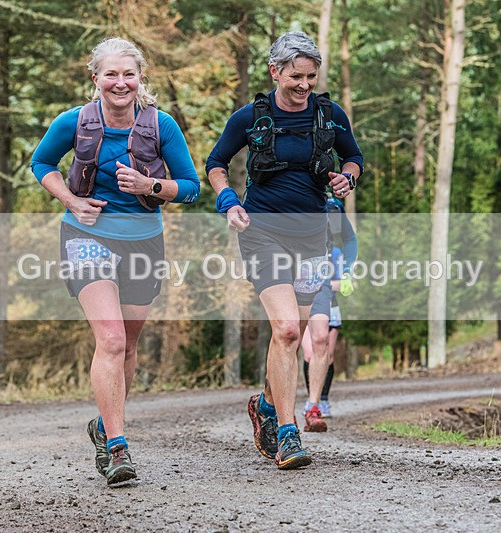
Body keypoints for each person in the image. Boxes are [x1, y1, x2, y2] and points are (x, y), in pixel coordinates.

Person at [31, 37, 200, 485]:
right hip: (86, 235)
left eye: (129, 74)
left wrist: (151, 187)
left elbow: (191, 186)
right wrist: (70, 199)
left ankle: (104, 425)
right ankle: (119, 447)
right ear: (95, 79)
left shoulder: (161, 125)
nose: (120, 82)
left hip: (144, 242)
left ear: (141, 78)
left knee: (127, 342)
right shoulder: (74, 121)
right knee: (109, 339)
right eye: (111, 74)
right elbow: (41, 162)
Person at [206, 31, 363, 470]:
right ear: (275, 71)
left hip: (312, 235)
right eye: (296, 76)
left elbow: (354, 158)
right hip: (262, 231)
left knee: (286, 338)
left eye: (311, 76)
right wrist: (227, 199)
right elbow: (216, 163)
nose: (304, 85)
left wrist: (346, 178)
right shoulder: (249, 117)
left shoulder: (331, 116)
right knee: (289, 330)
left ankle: (267, 405)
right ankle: (289, 435)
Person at [301, 195, 357, 432]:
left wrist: (346, 272)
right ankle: (273, 407)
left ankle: (314, 405)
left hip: (319, 279)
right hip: (285, 275)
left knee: (321, 342)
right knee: (289, 339)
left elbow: (350, 239)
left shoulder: (332, 206)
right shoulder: (284, 193)